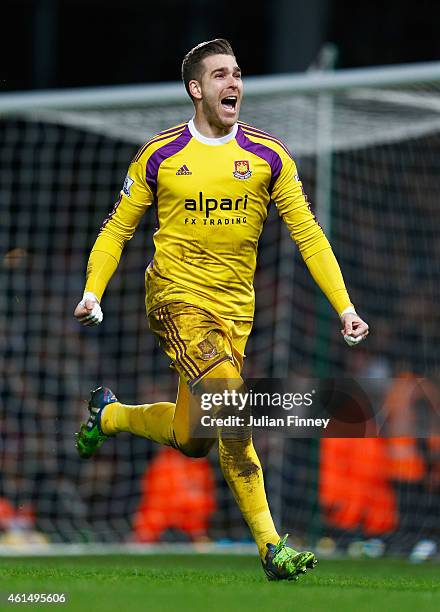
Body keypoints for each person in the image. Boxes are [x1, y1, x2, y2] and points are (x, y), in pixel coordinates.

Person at [74, 38, 369, 580]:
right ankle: (272, 546)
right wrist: (94, 290)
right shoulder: (160, 155)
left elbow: (307, 233)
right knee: (232, 406)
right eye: (220, 76)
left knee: (194, 438)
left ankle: (109, 415)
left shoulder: (269, 156)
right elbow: (118, 228)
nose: (234, 84)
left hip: (235, 314)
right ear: (196, 89)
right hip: (174, 297)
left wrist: (344, 306)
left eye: (237, 73)